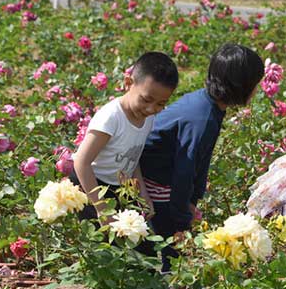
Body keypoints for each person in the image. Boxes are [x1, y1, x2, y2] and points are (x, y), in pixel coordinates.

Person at [138, 43, 264, 271]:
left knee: (168, 247)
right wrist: (181, 221)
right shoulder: (202, 118)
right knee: (170, 251)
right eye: (256, 84)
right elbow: (184, 171)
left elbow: (198, 162)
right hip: (151, 181)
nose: (257, 89)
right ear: (241, 85)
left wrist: (193, 200)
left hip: (160, 176)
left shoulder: (206, 103)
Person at [72, 52, 179, 223]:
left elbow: (132, 158)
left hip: (118, 187)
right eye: (146, 99)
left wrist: (143, 195)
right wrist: (102, 208)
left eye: (160, 104)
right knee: (101, 243)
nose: (151, 108)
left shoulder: (147, 118)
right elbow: (81, 162)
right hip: (90, 184)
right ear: (128, 83)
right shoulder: (112, 118)